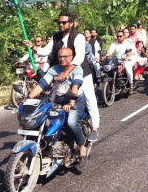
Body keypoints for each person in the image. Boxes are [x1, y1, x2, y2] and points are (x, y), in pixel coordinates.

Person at [24, 11, 100, 141]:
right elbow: (45, 51)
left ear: (71, 23)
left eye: (64, 22)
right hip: (60, 73)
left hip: (81, 72)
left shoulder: (78, 37)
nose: (61, 25)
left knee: (89, 98)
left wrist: (66, 72)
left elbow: (80, 56)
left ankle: (95, 128)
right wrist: (32, 47)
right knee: (53, 100)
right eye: (59, 22)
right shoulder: (55, 37)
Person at [25, 48, 88, 159]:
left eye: (65, 57)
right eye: (60, 57)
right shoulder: (54, 69)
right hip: (58, 99)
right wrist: (28, 98)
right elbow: (42, 84)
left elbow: (75, 85)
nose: (62, 59)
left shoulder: (77, 69)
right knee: (41, 118)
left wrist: (71, 103)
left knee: (72, 122)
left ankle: (82, 146)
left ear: (71, 57)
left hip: (75, 99)